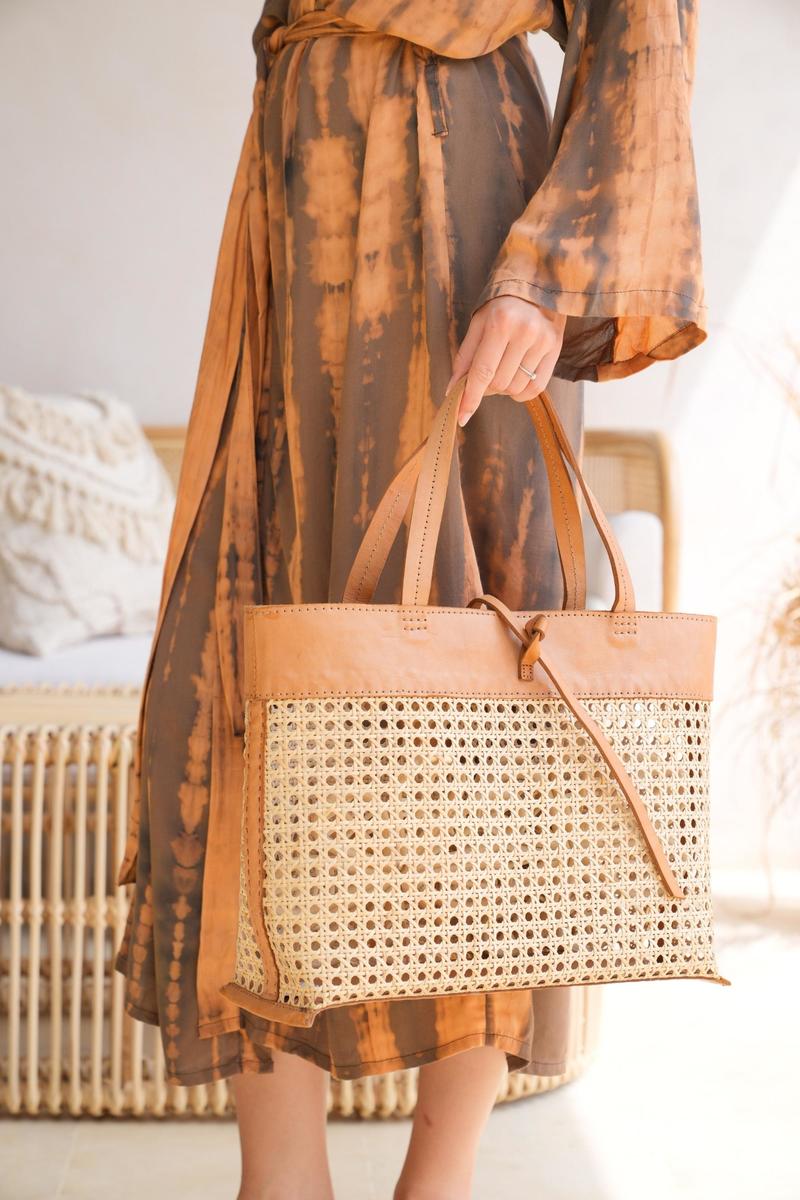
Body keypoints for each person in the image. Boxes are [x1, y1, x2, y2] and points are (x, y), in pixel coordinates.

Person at [114, 1, 706, 1196]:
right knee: (246, 677)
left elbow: (644, 22)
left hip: (466, 206)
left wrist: (546, 272)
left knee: (481, 698)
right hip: (291, 191)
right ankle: (282, 1179)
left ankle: (439, 1177)